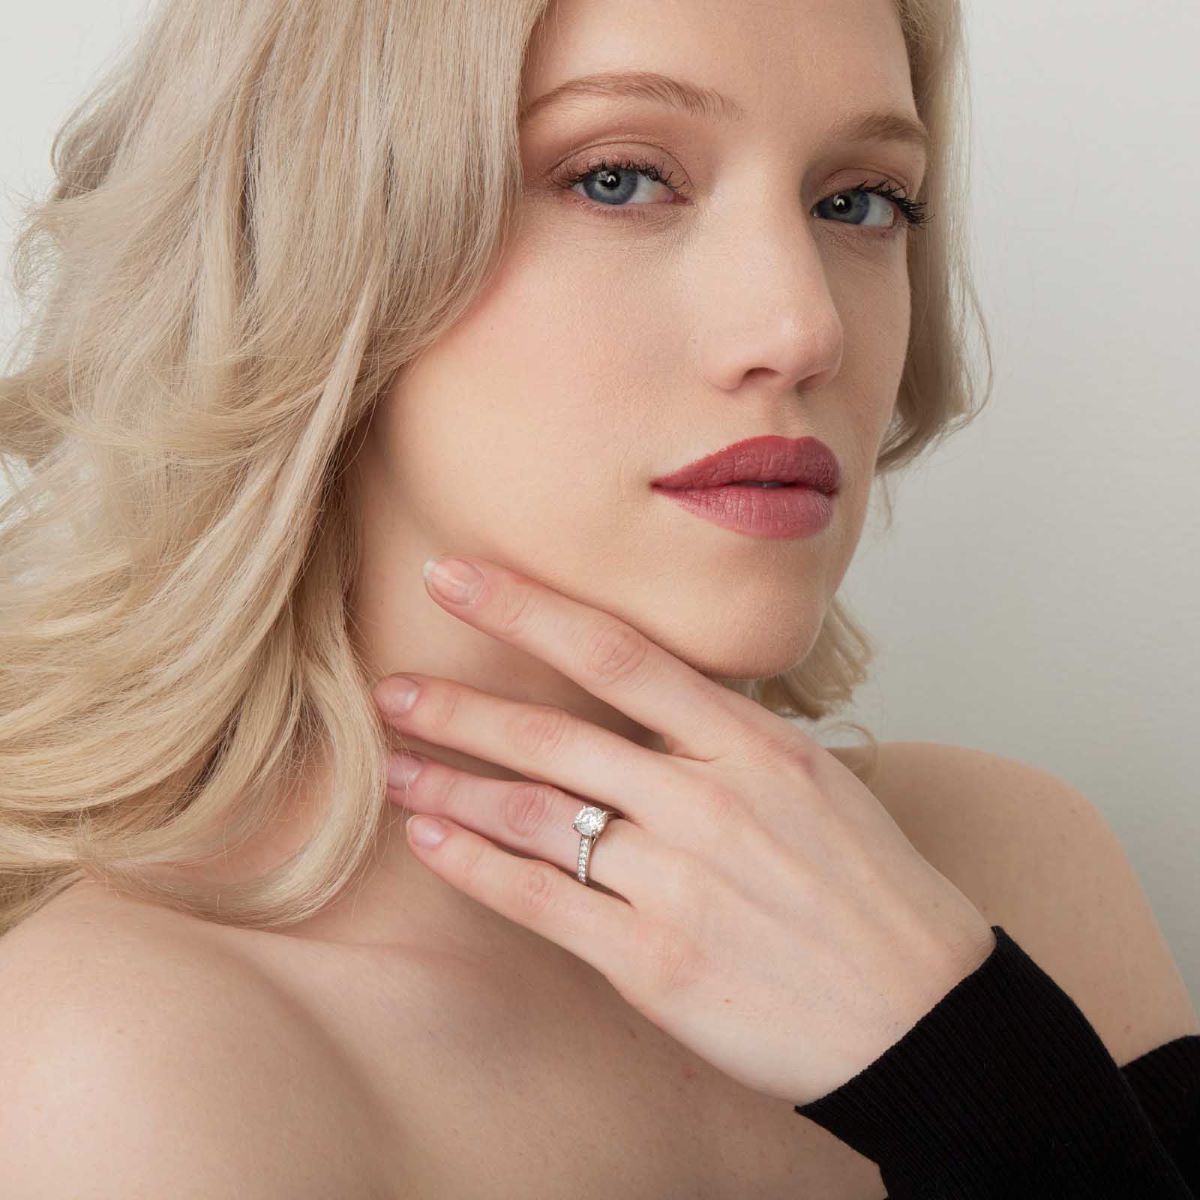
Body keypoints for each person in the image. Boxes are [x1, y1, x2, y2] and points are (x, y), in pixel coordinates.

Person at [0, 0, 1196, 1196]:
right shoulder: (126, 1064)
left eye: (859, 201)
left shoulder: (1004, 875)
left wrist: (967, 1056)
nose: (804, 329)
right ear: (314, 244)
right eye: (618, 179)